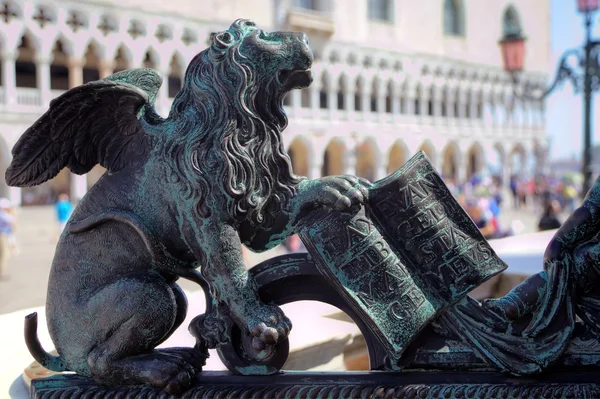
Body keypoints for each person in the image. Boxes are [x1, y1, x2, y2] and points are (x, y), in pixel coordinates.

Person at [0, 198, 15, 280]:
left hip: (3, 235)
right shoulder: (3, 214)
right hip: (2, 236)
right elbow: (13, 221)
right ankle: (1, 273)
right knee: (4, 255)